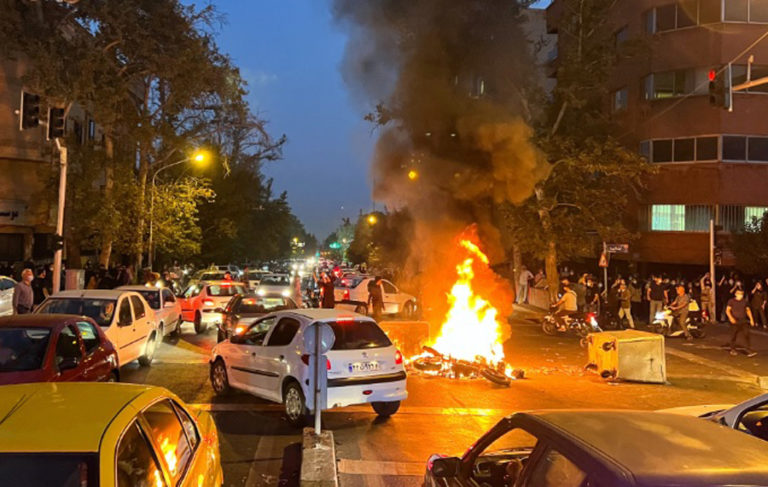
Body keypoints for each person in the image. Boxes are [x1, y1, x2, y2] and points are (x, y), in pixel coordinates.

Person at [726, 289, 757, 357]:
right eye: (739, 294)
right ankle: (732, 349)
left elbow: (748, 310)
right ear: (736, 294)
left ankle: (748, 349)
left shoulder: (744, 302)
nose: (740, 295)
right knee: (733, 335)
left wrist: (751, 319)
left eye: (742, 294)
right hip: (735, 320)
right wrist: (731, 318)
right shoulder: (731, 301)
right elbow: (728, 310)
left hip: (743, 320)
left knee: (746, 334)